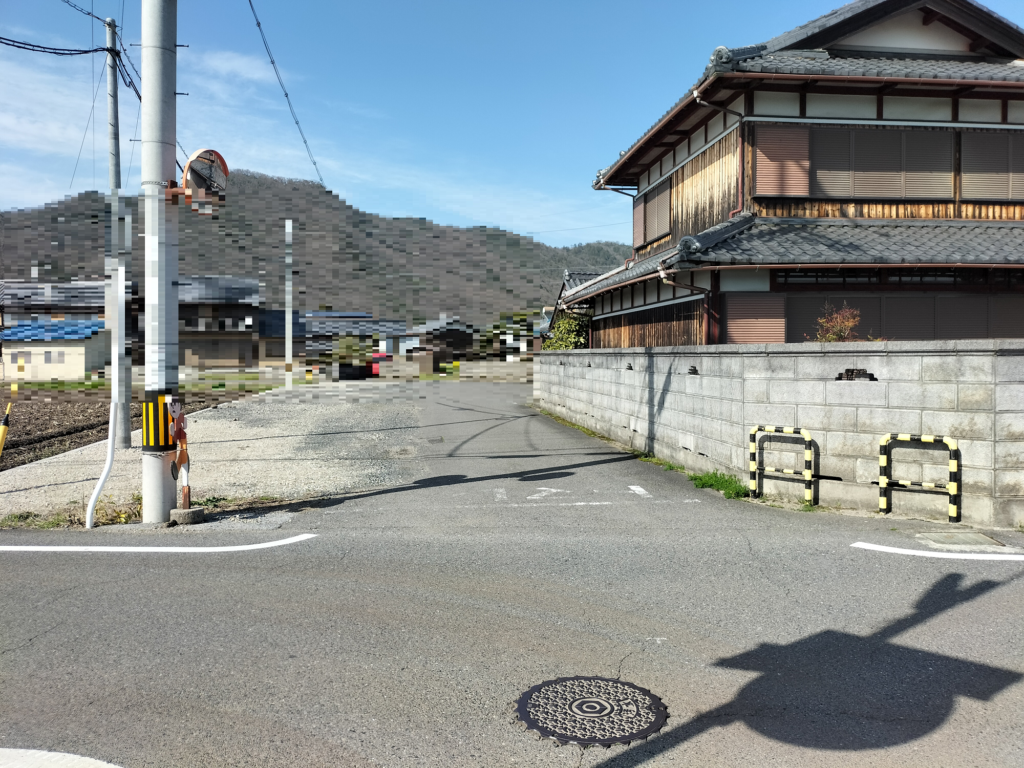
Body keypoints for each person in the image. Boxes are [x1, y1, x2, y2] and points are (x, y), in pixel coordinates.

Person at [168, 400, 191, 509]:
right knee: (182, 453)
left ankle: (181, 463)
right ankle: (180, 464)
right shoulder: (172, 419)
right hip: (178, 437)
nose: (174, 408)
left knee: (183, 452)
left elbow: (184, 424)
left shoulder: (179, 417)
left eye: (177, 406)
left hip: (181, 437)